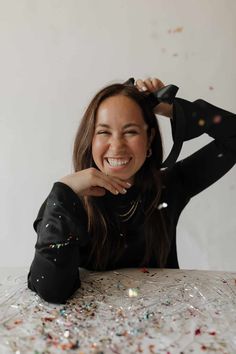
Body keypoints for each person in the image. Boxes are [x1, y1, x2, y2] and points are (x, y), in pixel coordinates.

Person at [27, 77, 236, 304]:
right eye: (104, 132)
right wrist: (64, 191)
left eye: (131, 132)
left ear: (149, 140)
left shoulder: (169, 186)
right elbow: (51, 289)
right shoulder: (68, 201)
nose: (117, 146)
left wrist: (172, 110)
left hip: (167, 327)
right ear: (90, 139)